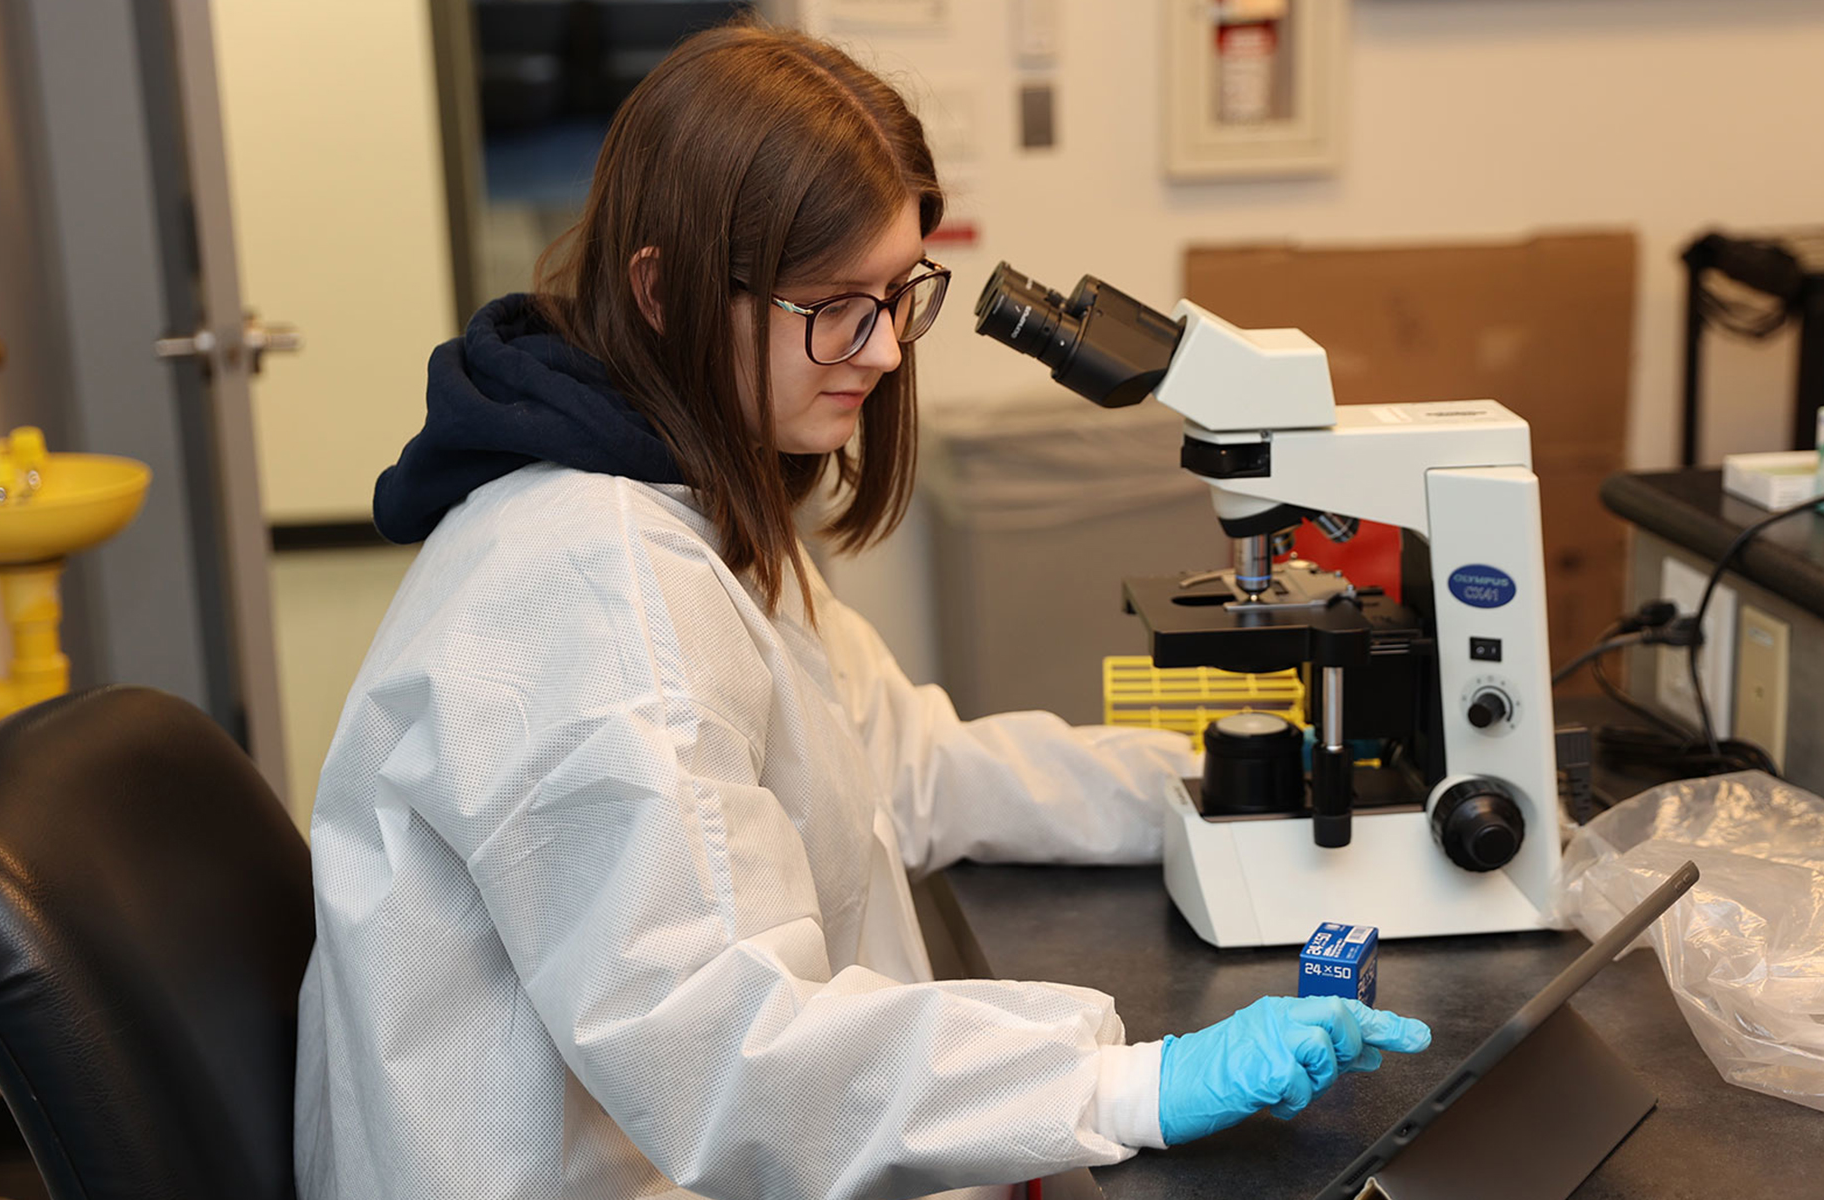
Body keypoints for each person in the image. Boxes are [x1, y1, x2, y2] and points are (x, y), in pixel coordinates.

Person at [294, 19, 1430, 1200]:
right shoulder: (589, 589)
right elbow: (728, 1054)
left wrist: (1215, 790)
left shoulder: (685, 498)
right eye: (838, 305)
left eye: (899, 295)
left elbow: (905, 767)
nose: (885, 351)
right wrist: (1126, 1085)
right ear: (663, 288)